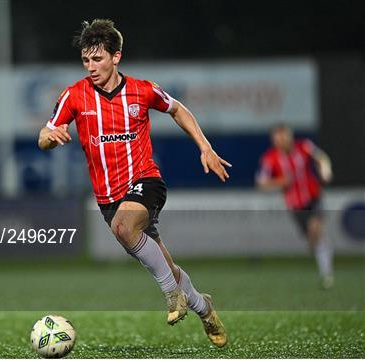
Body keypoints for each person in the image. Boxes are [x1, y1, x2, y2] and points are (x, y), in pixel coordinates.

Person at [38, 19, 230, 347]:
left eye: (97, 59)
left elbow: (178, 109)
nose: (91, 66)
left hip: (146, 180)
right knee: (165, 264)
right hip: (108, 198)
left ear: (116, 57)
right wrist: (50, 138)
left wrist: (205, 146)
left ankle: (172, 296)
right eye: (86, 60)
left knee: (125, 228)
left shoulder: (142, 90)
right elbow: (44, 135)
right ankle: (203, 307)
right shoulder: (74, 95)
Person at [256, 123, 334, 289]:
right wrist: (280, 182)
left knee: (316, 228)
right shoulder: (270, 158)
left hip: (314, 197)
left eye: (283, 136)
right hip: (296, 206)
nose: (281, 141)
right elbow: (261, 183)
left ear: (289, 136)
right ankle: (320, 256)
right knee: (314, 239)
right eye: (277, 138)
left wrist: (325, 171)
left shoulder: (304, 146)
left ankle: (326, 275)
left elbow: (321, 157)